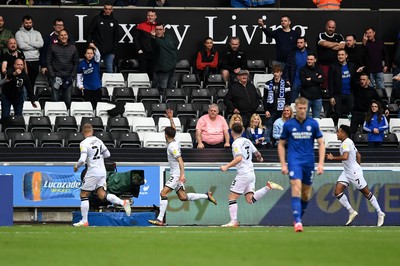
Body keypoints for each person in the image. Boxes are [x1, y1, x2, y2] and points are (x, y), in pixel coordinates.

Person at [148, 109, 217, 226]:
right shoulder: (175, 141)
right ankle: (206, 195)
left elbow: (180, 161)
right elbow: (173, 129)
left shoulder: (172, 147)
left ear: (165, 135)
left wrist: (182, 175)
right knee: (183, 197)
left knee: (163, 194)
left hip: (176, 175)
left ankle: (160, 219)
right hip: (176, 174)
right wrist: (171, 118)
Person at [220, 123, 283, 227]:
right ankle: (268, 187)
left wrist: (226, 166)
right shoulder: (247, 140)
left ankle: (233, 221)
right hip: (251, 173)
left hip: (243, 174)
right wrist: (260, 158)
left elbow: (239, 158)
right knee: (250, 199)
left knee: (232, 197)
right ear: (242, 130)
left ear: (231, 132)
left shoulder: (236, 144)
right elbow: (257, 153)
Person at [277, 97, 325, 232]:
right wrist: (283, 164)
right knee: (296, 188)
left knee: (305, 194)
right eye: (300, 108)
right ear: (296, 109)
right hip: (294, 161)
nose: (303, 111)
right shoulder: (289, 125)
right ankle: (298, 222)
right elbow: (281, 144)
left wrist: (321, 164)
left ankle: (298, 218)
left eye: (305, 108)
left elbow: (321, 143)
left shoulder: (313, 123)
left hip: (309, 162)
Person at [325, 124, 385, 226]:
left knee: (366, 193)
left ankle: (380, 212)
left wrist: (333, 158)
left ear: (343, 133)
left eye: (338, 132)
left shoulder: (345, 143)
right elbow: (358, 155)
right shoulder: (349, 142)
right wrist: (357, 166)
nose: (337, 133)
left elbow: (345, 157)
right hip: (348, 171)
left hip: (353, 172)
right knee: (337, 191)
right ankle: (351, 211)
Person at [73, 123, 131, 227]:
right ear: (92, 131)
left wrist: (76, 166)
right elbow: (108, 154)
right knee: (102, 194)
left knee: (83, 195)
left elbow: (82, 159)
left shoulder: (83, 143)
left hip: (92, 171)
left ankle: (84, 221)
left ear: (82, 132)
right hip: (102, 171)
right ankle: (123, 202)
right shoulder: (99, 141)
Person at [47, 29, 79, 109]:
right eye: (61, 35)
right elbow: (48, 62)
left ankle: (66, 119)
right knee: (55, 100)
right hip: (56, 77)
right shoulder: (52, 47)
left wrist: (72, 76)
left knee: (67, 100)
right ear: (58, 37)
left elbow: (76, 63)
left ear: (67, 36)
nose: (63, 37)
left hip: (68, 77)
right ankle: (55, 117)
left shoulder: (73, 48)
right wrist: (52, 75)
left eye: (65, 35)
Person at [87, 3, 119, 73]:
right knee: (95, 69)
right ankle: (96, 84)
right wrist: (89, 43)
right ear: (103, 9)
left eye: (109, 9)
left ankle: (109, 84)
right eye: (106, 9)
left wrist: (114, 52)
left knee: (110, 70)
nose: (108, 11)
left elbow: (116, 37)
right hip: (97, 50)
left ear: (112, 10)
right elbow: (90, 32)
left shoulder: (114, 21)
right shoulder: (97, 19)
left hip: (109, 51)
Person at [328, 49, 356, 124]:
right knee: (338, 114)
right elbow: (330, 82)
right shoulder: (333, 66)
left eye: (342, 55)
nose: (340, 56)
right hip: (338, 95)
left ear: (346, 56)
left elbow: (355, 80)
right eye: (339, 55)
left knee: (353, 113)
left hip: (349, 94)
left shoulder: (352, 66)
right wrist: (331, 96)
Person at [15, 15, 44, 89]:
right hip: (25, 61)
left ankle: (31, 98)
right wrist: (35, 46)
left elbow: (41, 44)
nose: (28, 24)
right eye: (26, 23)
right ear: (23, 23)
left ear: (32, 23)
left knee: (32, 82)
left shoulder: (37, 33)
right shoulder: (19, 33)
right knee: (24, 81)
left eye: (30, 22)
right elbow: (21, 46)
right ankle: (24, 98)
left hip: (35, 60)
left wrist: (28, 42)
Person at [316, 20, 345, 91]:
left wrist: (328, 45)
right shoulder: (321, 35)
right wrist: (336, 43)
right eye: (329, 27)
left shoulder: (339, 36)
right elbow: (324, 44)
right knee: (323, 86)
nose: (331, 29)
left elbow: (342, 46)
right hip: (323, 65)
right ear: (326, 27)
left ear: (335, 28)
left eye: (332, 27)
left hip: (336, 65)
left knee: (335, 84)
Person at [151, 22, 178, 96]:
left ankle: (168, 105)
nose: (158, 31)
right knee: (162, 88)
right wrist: (153, 37)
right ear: (154, 31)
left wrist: (175, 61)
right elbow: (155, 44)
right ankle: (160, 105)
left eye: (160, 29)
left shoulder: (169, 37)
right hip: (161, 69)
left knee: (170, 88)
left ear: (164, 30)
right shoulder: (154, 39)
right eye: (157, 29)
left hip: (172, 68)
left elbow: (175, 48)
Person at [263, 64, 291, 135]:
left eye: (277, 72)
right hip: (270, 111)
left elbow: (289, 99)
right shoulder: (268, 84)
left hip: (282, 112)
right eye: (274, 72)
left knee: (281, 128)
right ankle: (269, 144)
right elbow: (265, 98)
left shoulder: (286, 85)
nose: (276, 74)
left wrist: (285, 110)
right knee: (269, 129)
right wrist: (266, 110)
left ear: (281, 73)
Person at [362, 27, 389, 98]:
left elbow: (386, 54)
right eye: (367, 33)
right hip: (369, 70)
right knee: (371, 88)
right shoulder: (365, 44)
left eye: (370, 33)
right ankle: (372, 104)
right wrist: (364, 44)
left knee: (381, 88)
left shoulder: (380, 42)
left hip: (379, 69)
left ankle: (384, 103)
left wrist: (386, 65)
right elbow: (363, 56)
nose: (368, 35)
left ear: (374, 33)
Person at [285, 37, 312, 102]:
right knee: (292, 103)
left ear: (305, 43)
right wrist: (287, 79)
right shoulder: (292, 53)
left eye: (301, 42)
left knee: (306, 104)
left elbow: (314, 67)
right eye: (298, 43)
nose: (299, 44)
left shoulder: (310, 53)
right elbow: (287, 67)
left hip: (306, 83)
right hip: (295, 82)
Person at [77, 43, 102, 109]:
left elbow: (98, 55)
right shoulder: (81, 64)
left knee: (97, 107)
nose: (89, 55)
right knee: (88, 107)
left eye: (91, 53)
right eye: (88, 53)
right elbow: (79, 76)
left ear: (93, 54)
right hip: (87, 88)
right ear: (85, 54)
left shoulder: (95, 61)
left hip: (96, 88)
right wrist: (80, 85)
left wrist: (94, 47)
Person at [134, 10, 157, 80]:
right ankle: (143, 89)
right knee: (142, 73)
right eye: (148, 15)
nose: (150, 17)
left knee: (152, 73)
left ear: (155, 17)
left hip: (154, 54)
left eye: (152, 16)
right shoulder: (141, 26)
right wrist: (138, 49)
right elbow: (135, 39)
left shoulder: (158, 27)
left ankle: (151, 90)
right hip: (143, 53)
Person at [299, 53, 324, 118]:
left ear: (315, 60)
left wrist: (311, 79)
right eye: (308, 59)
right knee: (303, 119)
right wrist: (316, 80)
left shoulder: (319, 69)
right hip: (305, 99)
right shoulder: (302, 70)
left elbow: (321, 80)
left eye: (311, 59)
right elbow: (304, 82)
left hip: (317, 98)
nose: (309, 61)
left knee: (317, 120)